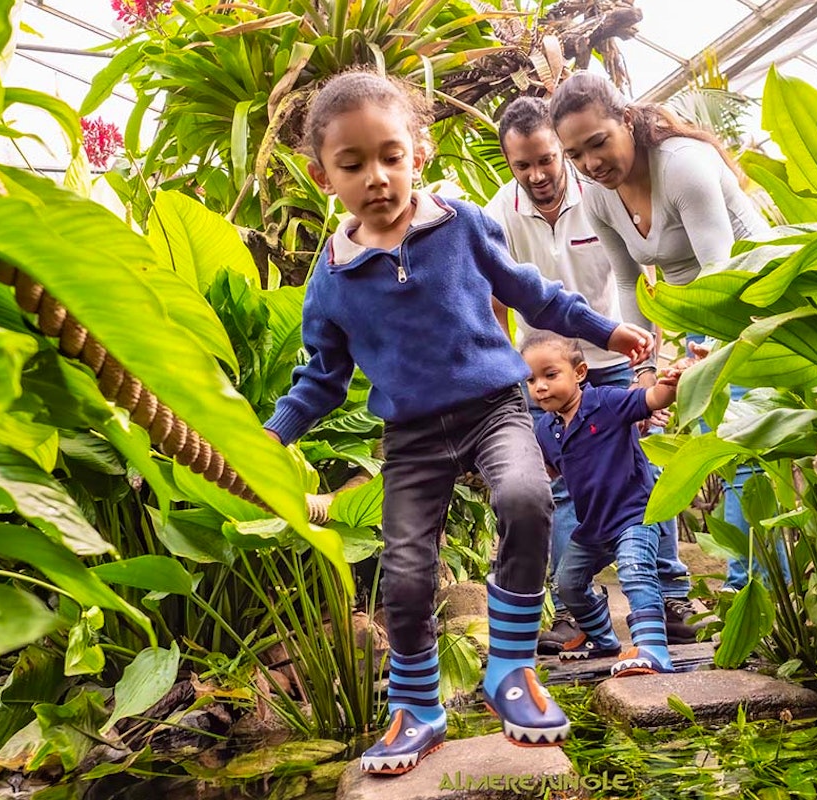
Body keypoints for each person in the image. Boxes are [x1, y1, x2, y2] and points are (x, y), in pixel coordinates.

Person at [263, 69, 653, 776]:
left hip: (494, 407)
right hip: (411, 435)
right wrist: (267, 438)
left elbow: (531, 293)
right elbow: (321, 378)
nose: (377, 177)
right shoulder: (331, 280)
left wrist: (606, 328)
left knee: (526, 498)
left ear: (419, 151)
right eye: (353, 165)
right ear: (325, 176)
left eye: (390, 155)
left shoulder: (465, 224)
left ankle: (509, 667)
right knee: (406, 574)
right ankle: (416, 706)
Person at [483, 96, 699, 649]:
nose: (536, 175)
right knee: (558, 489)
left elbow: (638, 278)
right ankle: (576, 614)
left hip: (613, 360)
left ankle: (670, 592)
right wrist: (508, 379)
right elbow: (496, 303)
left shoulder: (603, 195)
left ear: (561, 150)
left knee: (646, 471)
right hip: (542, 373)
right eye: (521, 165)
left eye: (546, 160)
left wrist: (647, 365)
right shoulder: (497, 214)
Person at [550, 71, 776, 591]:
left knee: (745, 455)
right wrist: (645, 368)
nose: (590, 163)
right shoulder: (599, 195)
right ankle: (753, 596)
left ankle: (748, 591)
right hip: (700, 326)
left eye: (599, 142)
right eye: (576, 153)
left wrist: (707, 356)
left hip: (756, 311)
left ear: (626, 120)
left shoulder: (684, 168)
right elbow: (630, 284)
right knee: (712, 453)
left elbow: (720, 272)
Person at [522, 331, 691, 677]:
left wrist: (673, 381)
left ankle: (653, 648)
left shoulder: (609, 402)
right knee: (567, 583)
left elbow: (655, 398)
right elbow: (551, 470)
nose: (539, 387)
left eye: (550, 375)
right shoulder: (546, 430)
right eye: (531, 379)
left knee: (635, 571)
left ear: (580, 373)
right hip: (593, 526)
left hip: (633, 515)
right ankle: (603, 638)